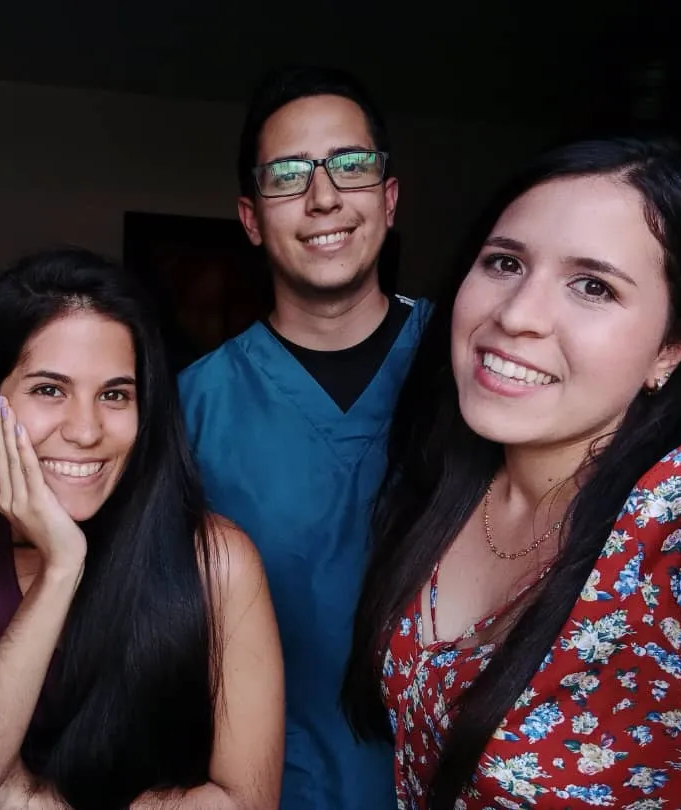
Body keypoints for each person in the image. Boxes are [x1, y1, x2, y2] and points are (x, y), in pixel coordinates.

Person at [344, 135, 681, 809]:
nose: (516, 316)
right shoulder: (447, 482)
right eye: (505, 262)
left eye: (593, 286)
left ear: (673, 346)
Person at [0, 249, 285, 810]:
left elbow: (245, 803)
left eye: (114, 395)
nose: (86, 431)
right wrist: (60, 569)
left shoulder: (219, 562)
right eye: (49, 389)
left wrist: (27, 797)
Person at [177, 65, 430, 809]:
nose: (323, 197)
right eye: (288, 175)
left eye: (350, 164)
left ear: (388, 197)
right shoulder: (193, 406)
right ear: (251, 218)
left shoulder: (474, 366)